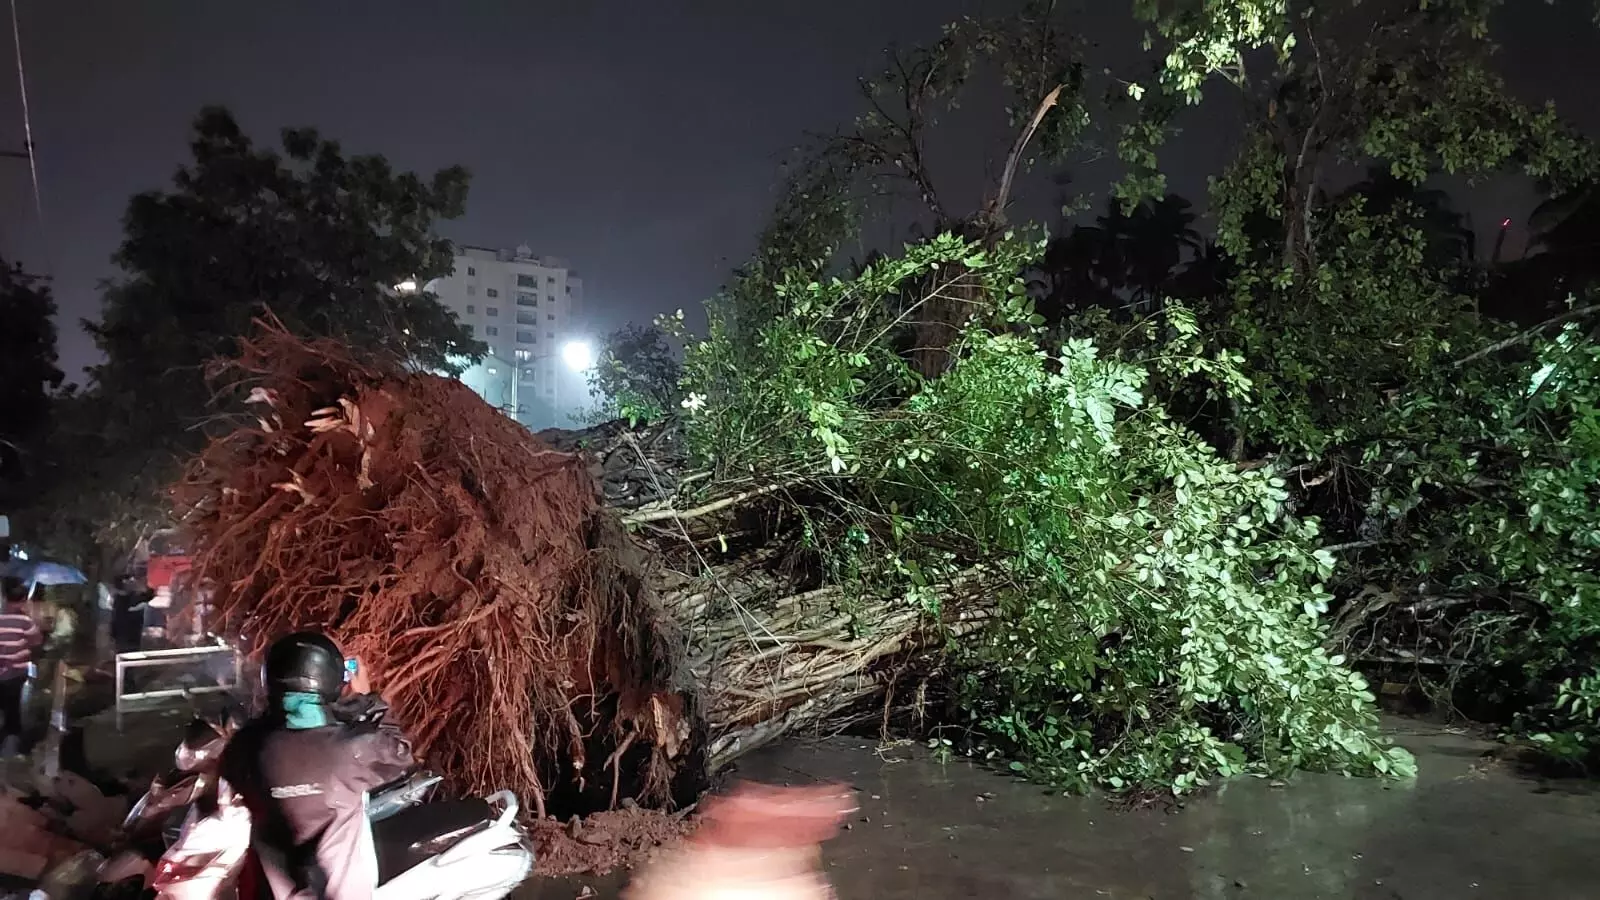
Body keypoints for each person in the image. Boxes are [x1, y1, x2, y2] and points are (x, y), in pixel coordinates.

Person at [221, 632, 412, 900]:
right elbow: (400, 752)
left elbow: (268, 732)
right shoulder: (351, 750)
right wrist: (367, 700)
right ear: (332, 681)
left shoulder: (244, 748)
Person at [0, 575, 43, 758]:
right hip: (15, 672)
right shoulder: (25, 620)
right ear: (23, 600)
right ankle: (10, 750)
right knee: (13, 709)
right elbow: (37, 641)